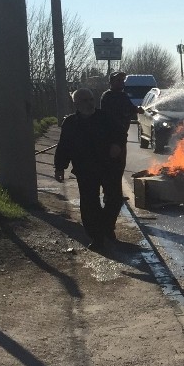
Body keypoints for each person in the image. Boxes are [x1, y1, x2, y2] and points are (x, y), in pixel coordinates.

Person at [54, 88, 113, 250]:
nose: (90, 104)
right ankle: (96, 237)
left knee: (113, 199)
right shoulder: (71, 123)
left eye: (91, 99)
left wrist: (116, 146)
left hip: (107, 167)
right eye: (85, 101)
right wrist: (60, 167)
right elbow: (64, 147)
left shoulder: (104, 118)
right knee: (89, 204)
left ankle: (107, 227)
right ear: (76, 104)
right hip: (85, 169)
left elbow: (119, 134)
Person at [99, 71, 138, 240]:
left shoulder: (122, 96)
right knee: (112, 168)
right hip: (111, 140)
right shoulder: (108, 97)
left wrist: (137, 110)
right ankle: (110, 195)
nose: (121, 82)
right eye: (118, 80)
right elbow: (112, 116)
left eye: (122, 80)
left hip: (121, 138)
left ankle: (113, 193)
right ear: (111, 82)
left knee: (120, 167)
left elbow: (130, 109)